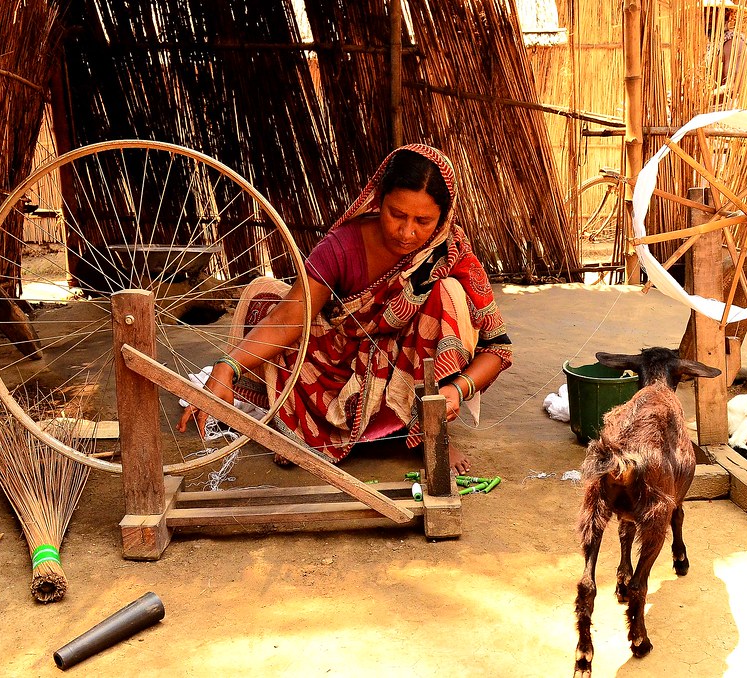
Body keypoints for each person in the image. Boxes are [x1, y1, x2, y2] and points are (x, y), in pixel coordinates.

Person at [177, 144, 512, 475]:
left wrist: (456, 390)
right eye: (397, 215)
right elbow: (288, 319)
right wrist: (228, 366)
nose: (407, 232)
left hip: (406, 369)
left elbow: (497, 349)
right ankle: (304, 428)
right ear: (378, 200)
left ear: (443, 217)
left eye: (423, 221)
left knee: (449, 293)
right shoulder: (342, 246)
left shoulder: (449, 251)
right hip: (338, 363)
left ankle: (431, 429)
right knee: (265, 298)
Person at [703, 0, 747, 106]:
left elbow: (733, 86)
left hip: (725, 111)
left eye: (713, 13)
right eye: (704, 14)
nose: (708, 20)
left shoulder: (734, 43)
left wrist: (700, 99)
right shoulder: (711, 44)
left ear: (728, 15)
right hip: (706, 109)